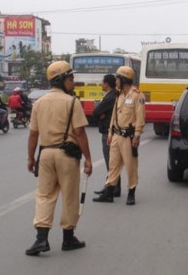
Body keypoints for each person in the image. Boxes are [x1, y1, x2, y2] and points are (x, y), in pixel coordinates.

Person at [25, 61, 93, 256]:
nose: (73, 83)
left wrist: (30, 158)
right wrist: (88, 158)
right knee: (70, 196)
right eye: (71, 79)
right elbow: (79, 133)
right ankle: (68, 238)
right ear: (61, 80)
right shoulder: (72, 102)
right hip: (67, 156)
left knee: (45, 195)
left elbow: (33, 135)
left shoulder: (39, 103)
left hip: (45, 154)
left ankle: (41, 239)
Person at [93, 66, 145, 205]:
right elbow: (114, 117)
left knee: (130, 165)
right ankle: (109, 192)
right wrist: (110, 132)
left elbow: (140, 118)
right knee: (113, 165)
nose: (115, 81)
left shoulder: (137, 95)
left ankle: (131, 192)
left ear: (123, 79)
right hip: (116, 135)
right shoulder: (119, 95)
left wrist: (137, 136)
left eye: (117, 78)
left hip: (129, 137)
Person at [92, 74, 121, 197]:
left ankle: (110, 188)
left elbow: (95, 112)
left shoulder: (110, 97)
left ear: (107, 84)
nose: (101, 84)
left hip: (108, 133)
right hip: (113, 131)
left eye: (102, 82)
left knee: (110, 162)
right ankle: (114, 188)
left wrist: (101, 115)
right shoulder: (115, 94)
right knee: (113, 162)